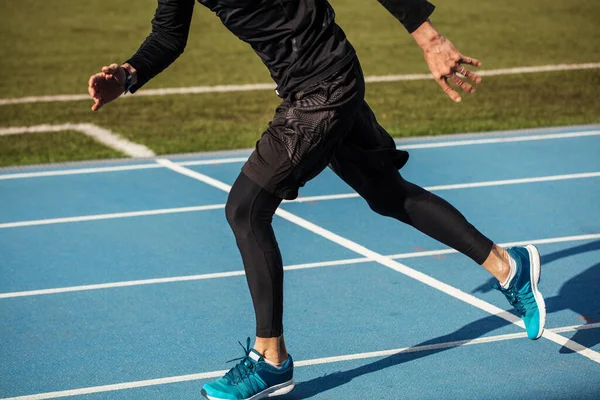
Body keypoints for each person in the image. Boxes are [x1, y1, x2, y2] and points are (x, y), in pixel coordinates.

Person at [88, 1, 546, 399]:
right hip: (315, 83)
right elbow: (169, 35)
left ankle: (270, 358)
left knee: (246, 210)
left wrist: (430, 38)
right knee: (387, 195)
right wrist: (127, 75)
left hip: (323, 90)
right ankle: (507, 264)